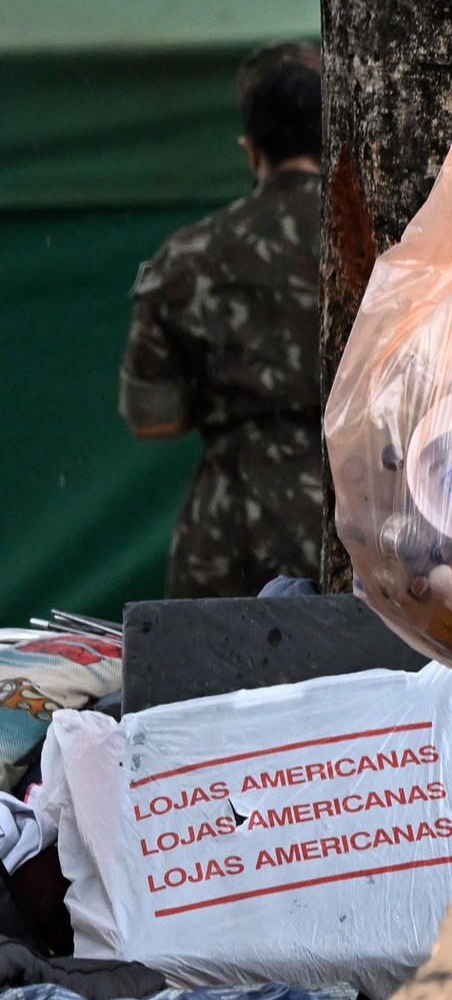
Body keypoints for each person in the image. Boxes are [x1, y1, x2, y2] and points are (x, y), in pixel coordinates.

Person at [119, 43, 323, 597]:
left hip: (229, 529)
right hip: (353, 519)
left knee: (214, 679)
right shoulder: (382, 244)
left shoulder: (189, 255)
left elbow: (151, 417)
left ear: (251, 150)